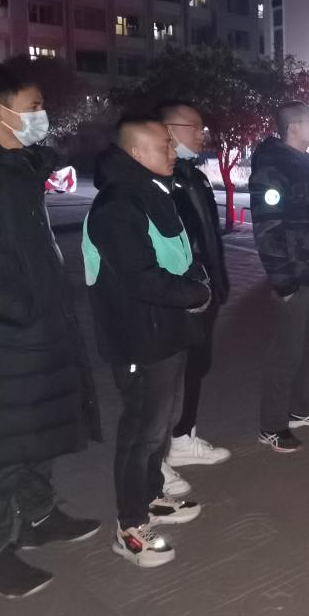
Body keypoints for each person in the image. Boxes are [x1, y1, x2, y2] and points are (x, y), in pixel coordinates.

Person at [0, 63, 101, 598]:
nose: (42, 115)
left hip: (35, 328)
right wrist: (22, 311)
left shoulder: (14, 167)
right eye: (34, 106)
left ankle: (40, 516)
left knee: (34, 435)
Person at [83, 117, 210, 567]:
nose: (173, 152)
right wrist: (197, 293)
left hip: (166, 332)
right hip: (138, 340)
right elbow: (141, 278)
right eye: (164, 146)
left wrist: (196, 283)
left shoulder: (153, 193)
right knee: (140, 432)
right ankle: (130, 525)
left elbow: (179, 256)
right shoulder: (117, 206)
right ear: (136, 153)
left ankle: (152, 496)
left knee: (159, 426)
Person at [249, 101, 309, 453]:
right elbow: (267, 228)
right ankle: (272, 426)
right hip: (297, 276)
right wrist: (282, 280)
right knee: (287, 352)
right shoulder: (273, 168)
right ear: (295, 127)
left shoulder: (308, 163)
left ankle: (301, 409)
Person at [153, 102, 231, 492]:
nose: (202, 134)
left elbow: (207, 235)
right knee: (167, 378)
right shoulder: (156, 180)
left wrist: (217, 280)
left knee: (197, 366)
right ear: (167, 130)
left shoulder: (192, 176)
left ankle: (183, 437)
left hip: (202, 287)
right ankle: (157, 457)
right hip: (176, 295)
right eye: (194, 127)